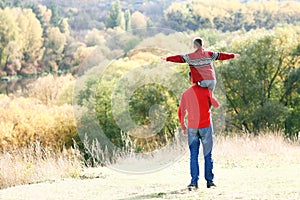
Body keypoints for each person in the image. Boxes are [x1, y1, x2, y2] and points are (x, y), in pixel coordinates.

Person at [162, 37, 240, 106]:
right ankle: (209, 106)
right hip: (212, 80)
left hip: (203, 81)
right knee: (208, 99)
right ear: (203, 45)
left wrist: (167, 58)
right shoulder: (209, 54)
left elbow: (179, 58)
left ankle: (201, 111)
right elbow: (221, 55)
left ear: (194, 46)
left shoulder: (191, 57)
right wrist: (233, 55)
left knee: (199, 97)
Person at [178, 72, 218, 190]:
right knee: (207, 154)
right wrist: (210, 94)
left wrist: (183, 126)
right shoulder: (206, 91)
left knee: (193, 155)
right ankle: (210, 182)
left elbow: (181, 112)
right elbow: (216, 105)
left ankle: (194, 182)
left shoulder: (186, 94)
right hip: (206, 126)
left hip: (192, 128)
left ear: (190, 79)